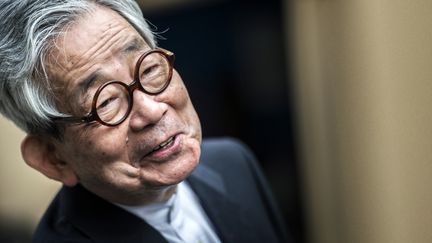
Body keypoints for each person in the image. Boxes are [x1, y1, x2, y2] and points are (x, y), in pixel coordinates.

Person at [0, 0, 289, 242]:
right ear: (53, 158)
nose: (151, 111)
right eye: (106, 102)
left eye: (149, 68)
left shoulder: (232, 163)